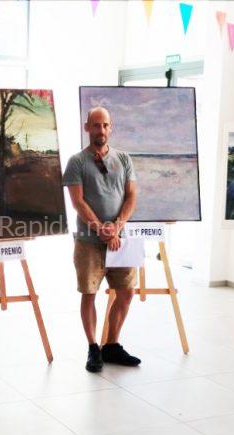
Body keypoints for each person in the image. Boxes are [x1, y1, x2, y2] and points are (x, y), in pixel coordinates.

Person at [63, 107, 140, 373]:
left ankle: (112, 344)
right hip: (89, 241)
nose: (101, 130)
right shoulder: (77, 162)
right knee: (89, 293)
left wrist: (116, 228)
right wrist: (101, 229)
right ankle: (93, 347)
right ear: (87, 127)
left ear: (111, 127)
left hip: (120, 240)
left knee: (127, 291)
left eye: (105, 125)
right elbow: (77, 201)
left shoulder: (124, 158)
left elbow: (131, 195)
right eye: (96, 125)